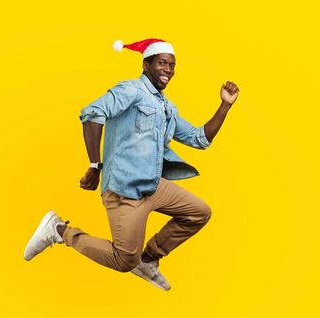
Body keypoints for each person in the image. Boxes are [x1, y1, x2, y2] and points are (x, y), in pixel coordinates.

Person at [23, 38, 239, 290]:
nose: (168, 70)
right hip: (125, 191)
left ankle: (148, 261)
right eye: (162, 63)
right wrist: (95, 165)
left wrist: (225, 105)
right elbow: (92, 113)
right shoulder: (131, 90)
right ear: (146, 65)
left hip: (153, 185)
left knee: (199, 213)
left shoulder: (167, 106)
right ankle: (60, 231)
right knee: (124, 259)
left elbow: (199, 139)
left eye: (172, 65)